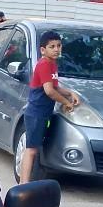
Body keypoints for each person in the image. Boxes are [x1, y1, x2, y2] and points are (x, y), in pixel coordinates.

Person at [21, 29, 80, 182]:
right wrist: (66, 102)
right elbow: (49, 91)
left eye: (59, 46)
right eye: (52, 46)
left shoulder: (52, 65)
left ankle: (28, 181)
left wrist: (70, 93)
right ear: (43, 50)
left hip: (44, 113)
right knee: (31, 150)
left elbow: (55, 87)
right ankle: (23, 182)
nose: (56, 49)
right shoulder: (44, 65)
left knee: (35, 149)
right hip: (36, 113)